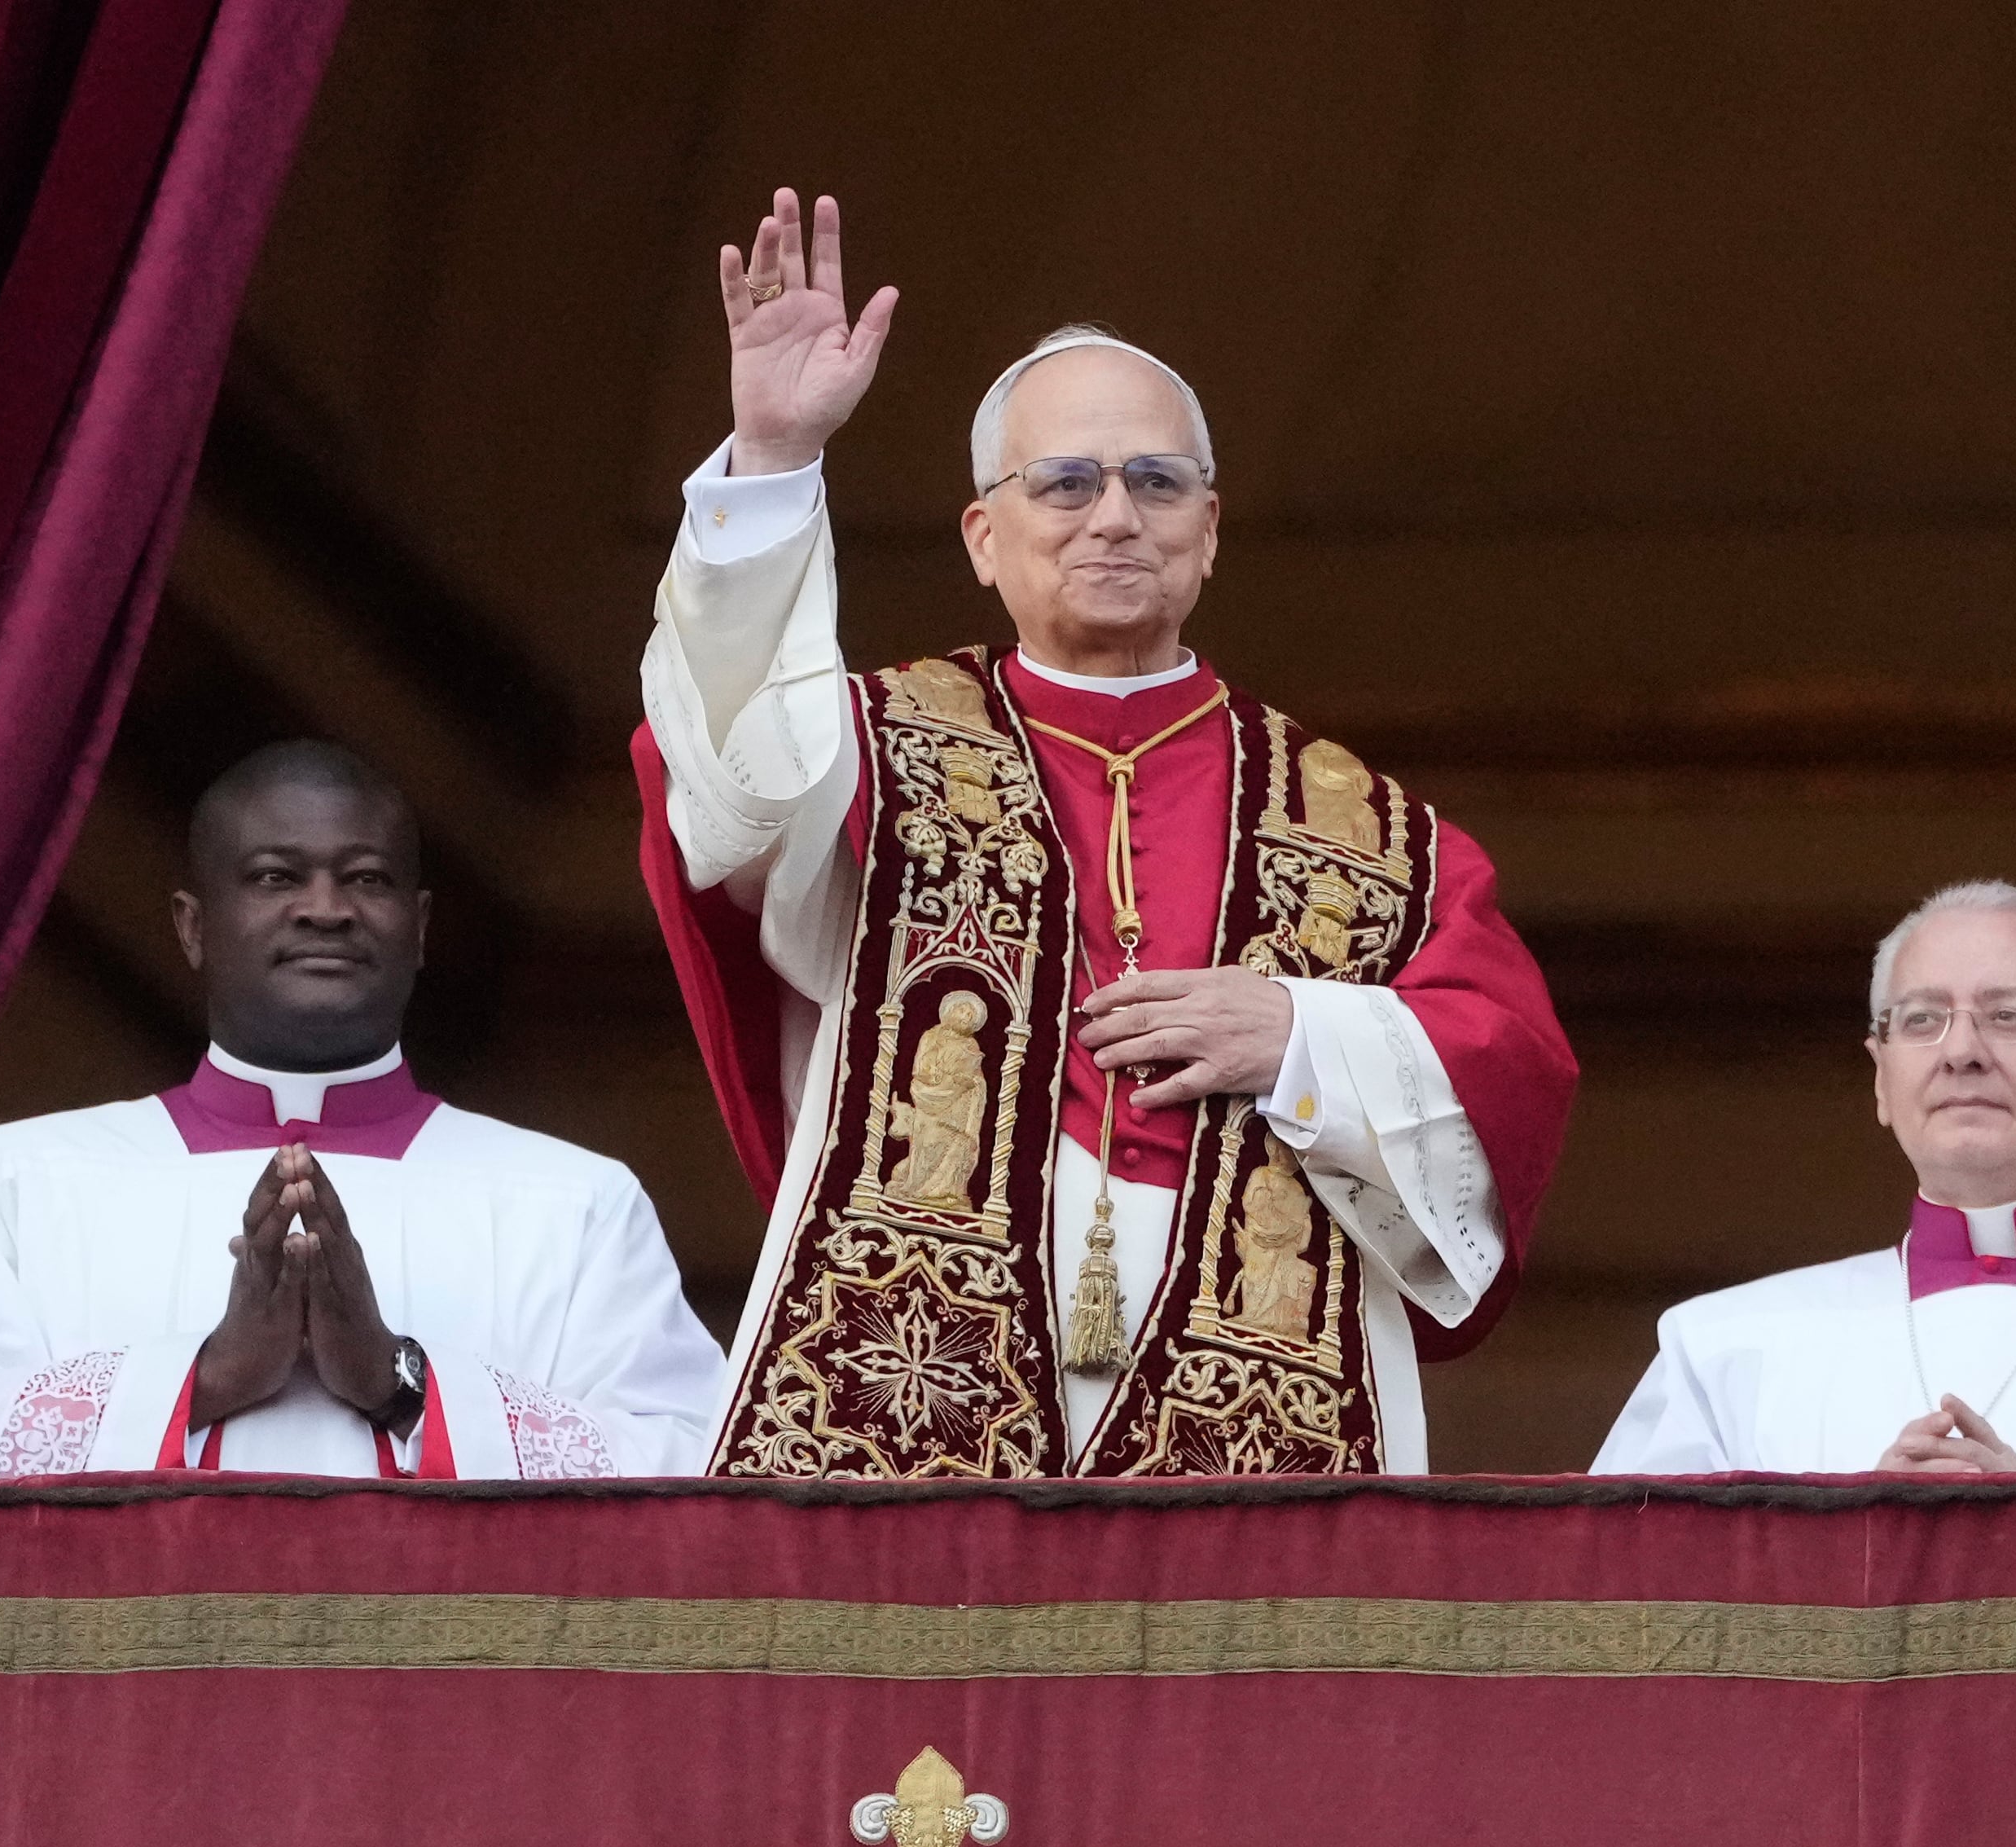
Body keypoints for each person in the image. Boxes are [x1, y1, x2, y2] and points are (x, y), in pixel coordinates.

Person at [637, 188, 1578, 1478]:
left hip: (1260, 1346)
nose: (1115, 515)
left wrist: (1302, 1034)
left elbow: (1512, 1065)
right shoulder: (866, 742)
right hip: (909, 1332)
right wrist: (774, 461)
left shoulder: (1367, 827)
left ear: (1209, 532)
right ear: (984, 533)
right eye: (1065, 482)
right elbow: (724, 766)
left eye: (1158, 482)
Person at [0, 743, 727, 1483]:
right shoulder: (13, 1183)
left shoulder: (574, 1203)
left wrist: (400, 1381)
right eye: (274, 876)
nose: (324, 909)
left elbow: (696, 1475)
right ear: (192, 926)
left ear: (419, 927)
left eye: (364, 879)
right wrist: (202, 1378)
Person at [1592, 881, 2016, 1475]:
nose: (1961, 1052)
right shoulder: (1721, 1350)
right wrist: (1860, 1545)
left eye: (2008, 1015)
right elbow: (1626, 1584)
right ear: (1880, 1078)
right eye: (1922, 1019)